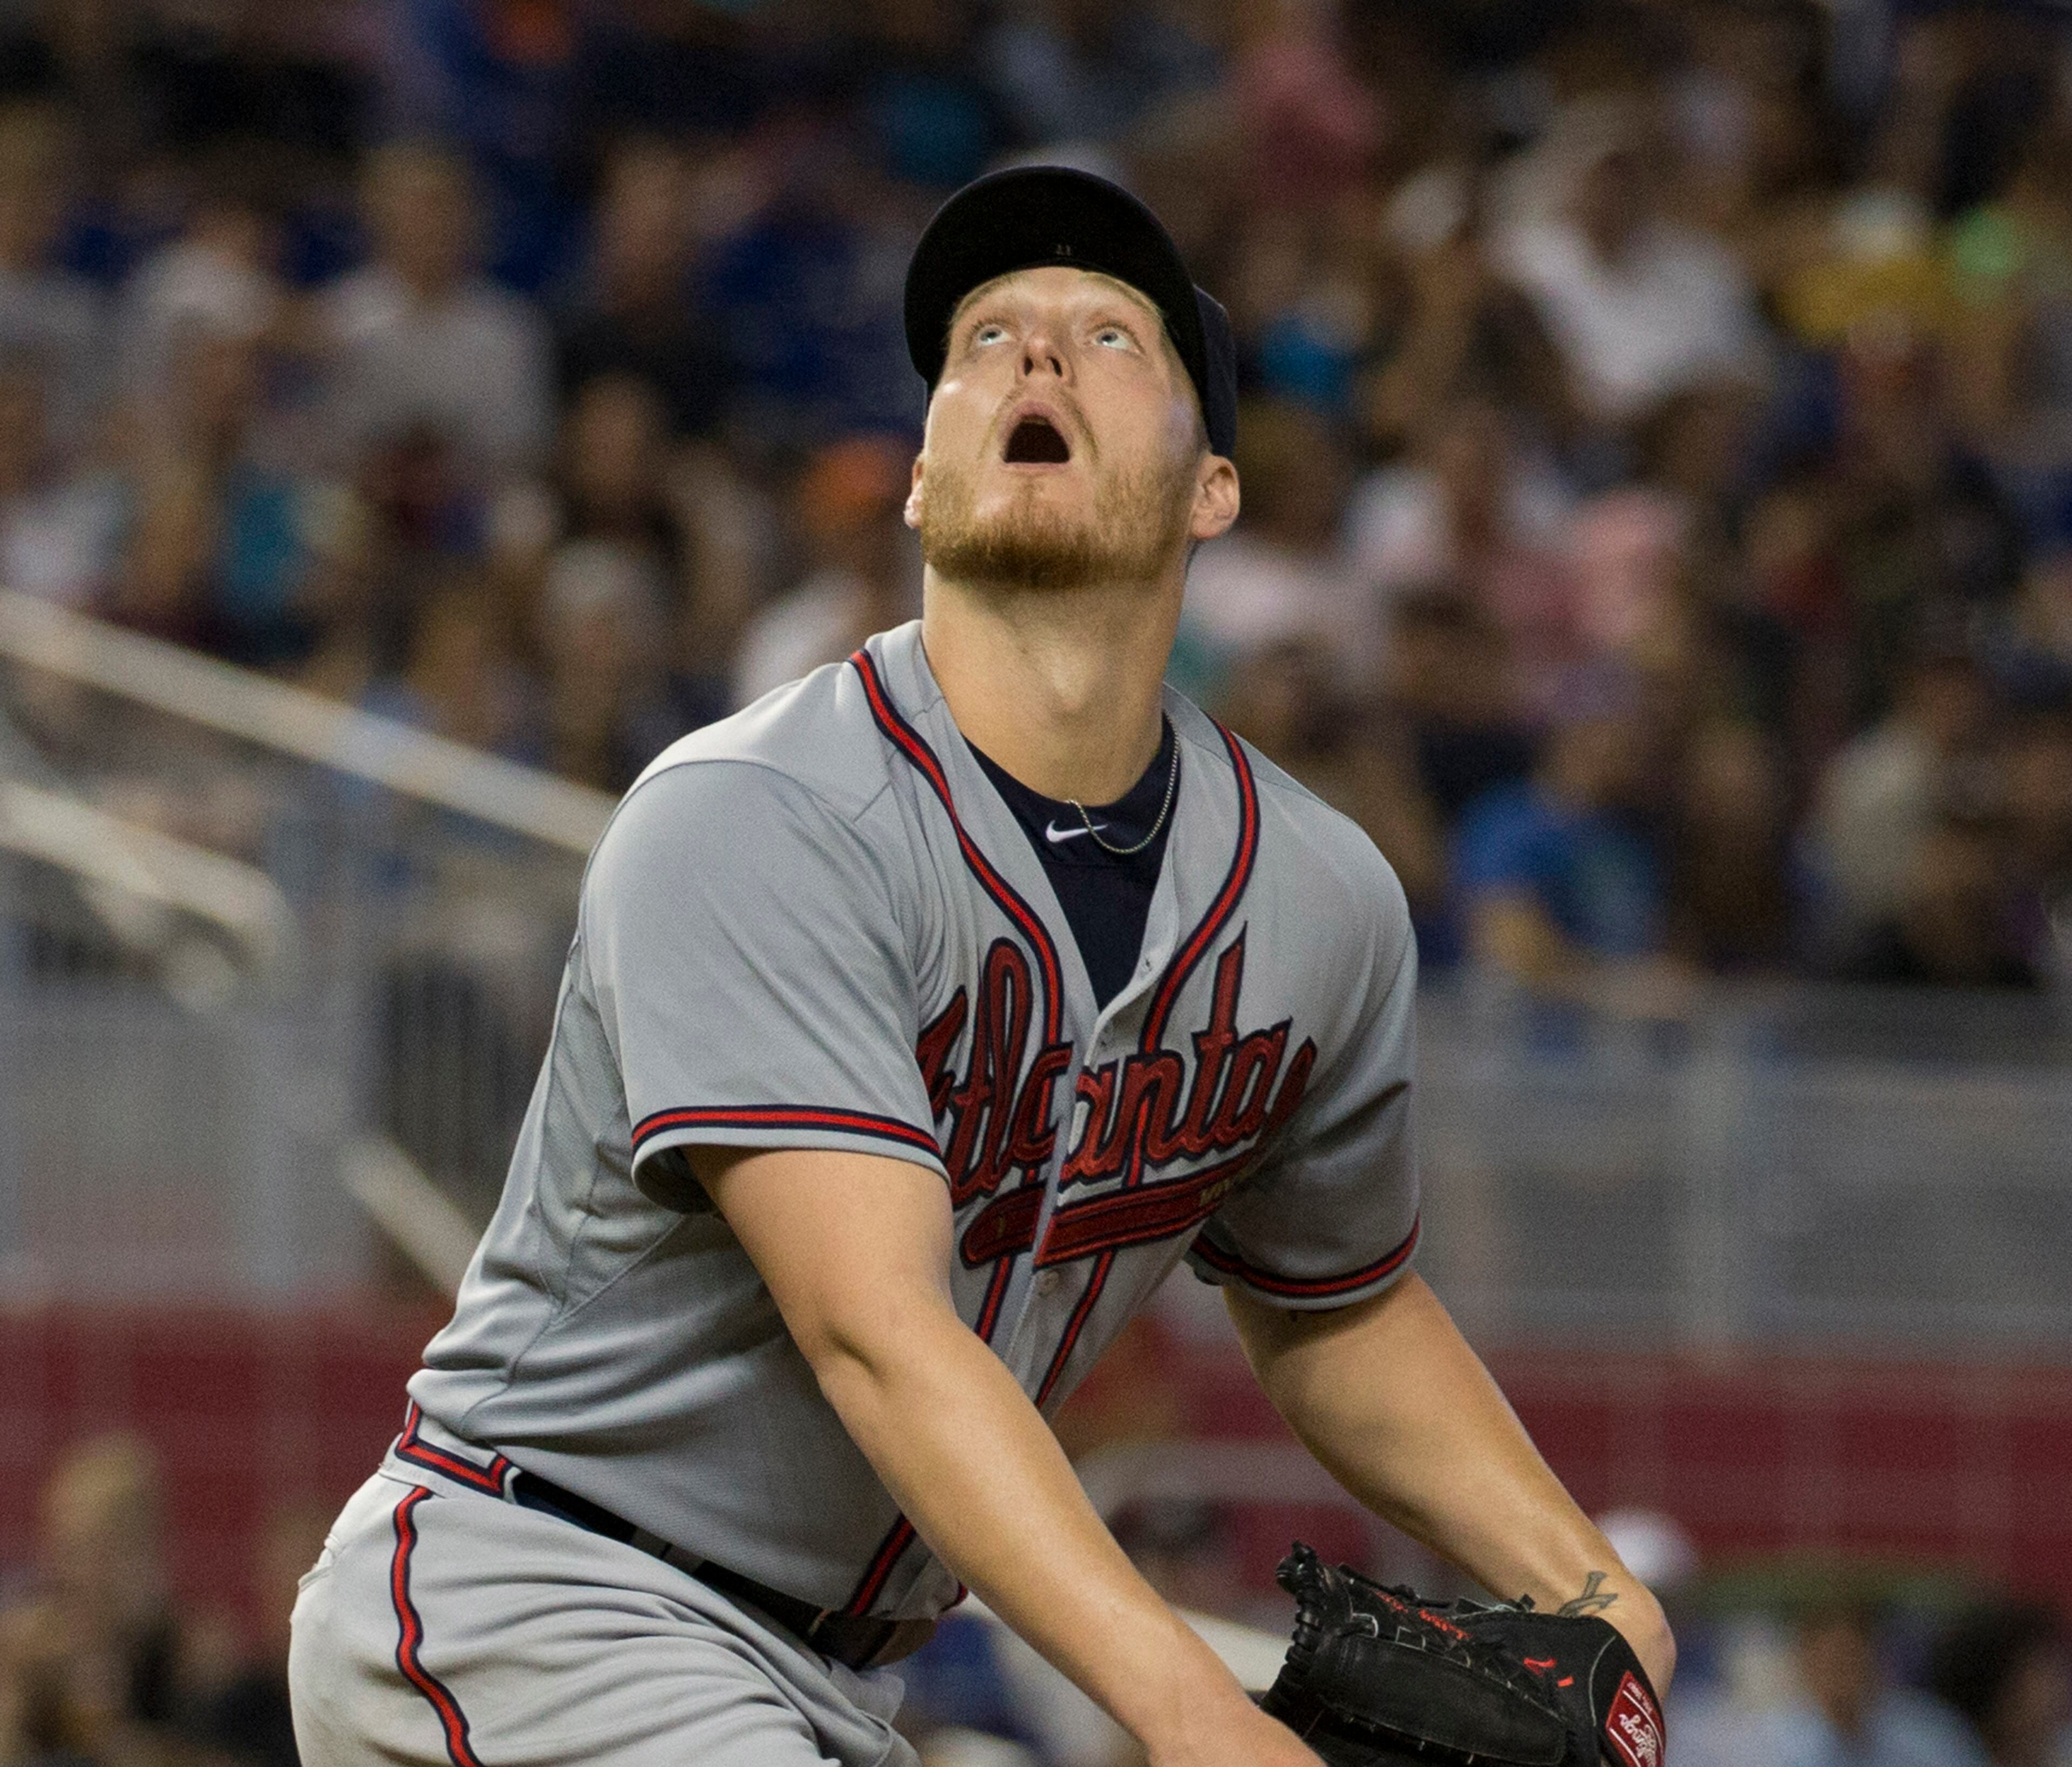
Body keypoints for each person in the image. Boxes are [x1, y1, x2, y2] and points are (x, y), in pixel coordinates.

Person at [287, 165, 1673, 1767]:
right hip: (539, 1593)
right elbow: (879, 1326)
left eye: (1107, 338)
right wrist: (1181, 1701)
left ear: (1214, 486)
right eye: (985, 339)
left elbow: (1338, 1308)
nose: (1033, 357)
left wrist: (1596, 1587)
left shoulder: (1319, 902)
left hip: (827, 1681)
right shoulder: (758, 812)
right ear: (921, 476)